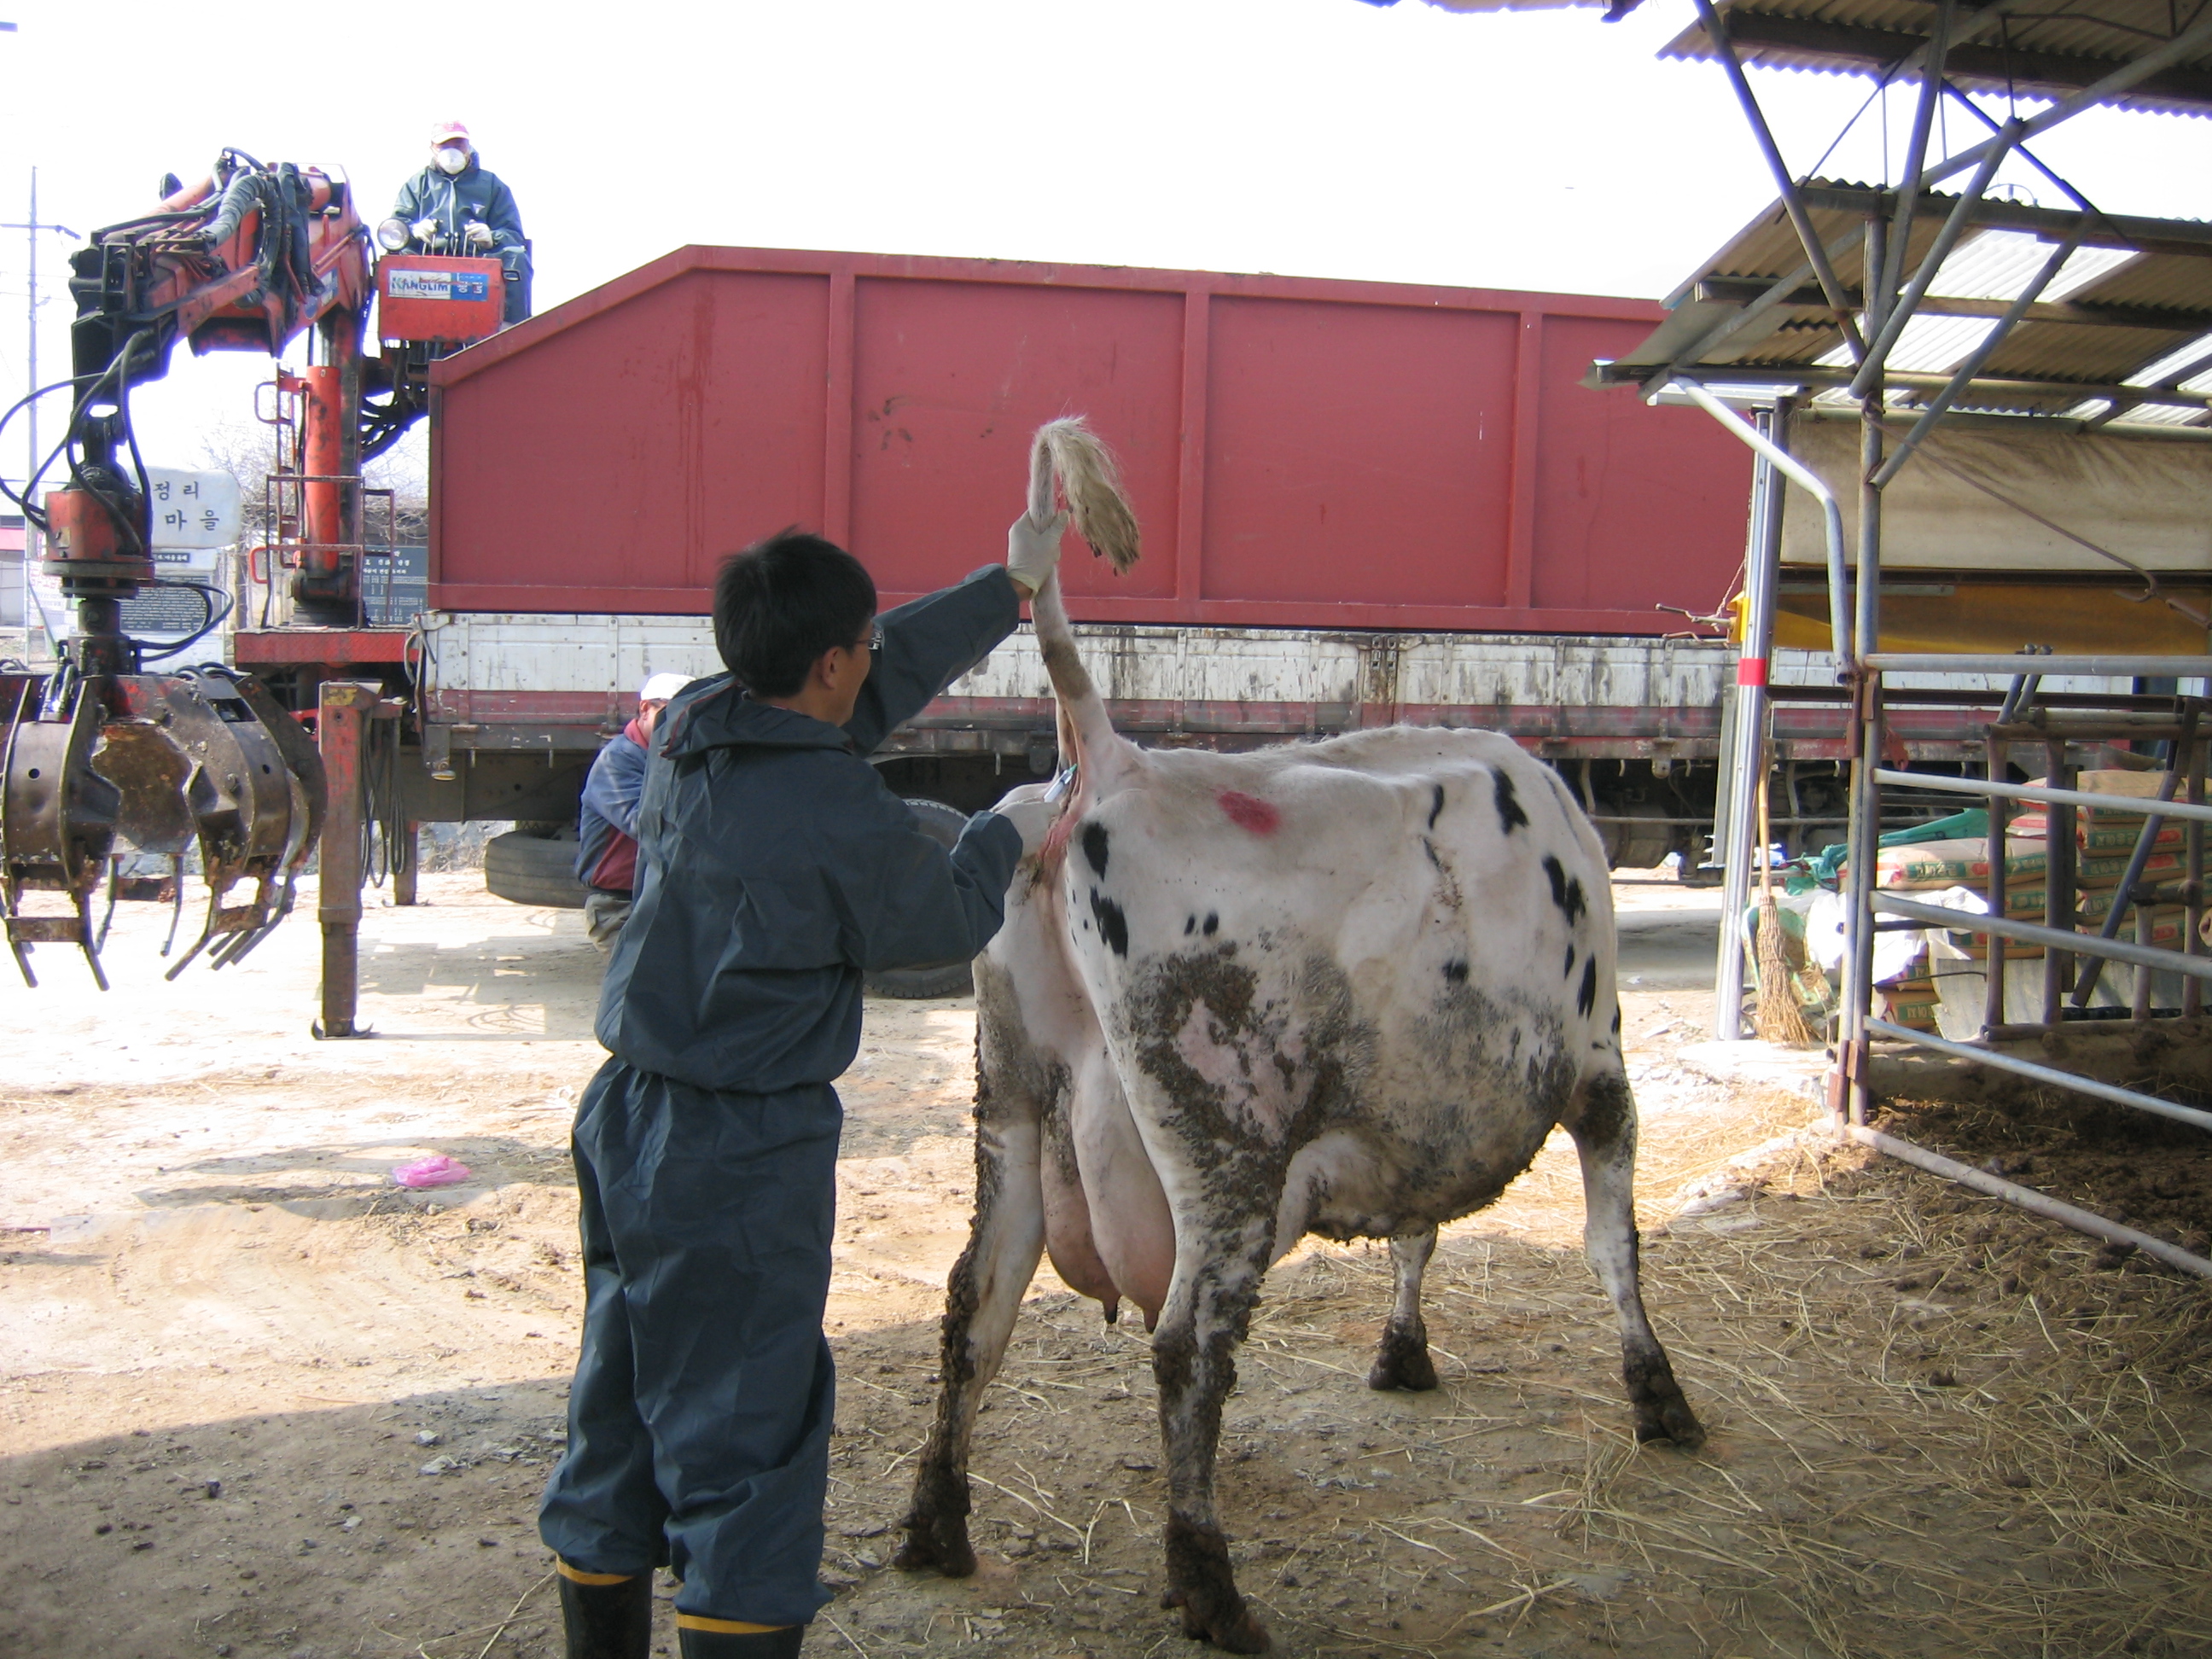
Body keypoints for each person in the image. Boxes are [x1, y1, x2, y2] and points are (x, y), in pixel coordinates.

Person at [537, 508, 1068, 1659]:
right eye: (863, 647)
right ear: (828, 663)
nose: (875, 663)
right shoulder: (837, 817)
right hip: (739, 1151)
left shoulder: (693, 727)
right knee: (748, 1431)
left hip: (627, 1116)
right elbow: (937, 919)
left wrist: (1001, 591)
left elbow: (863, 693)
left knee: (621, 1394)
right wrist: (1007, 829)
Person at [575, 672, 692, 952]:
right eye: (672, 714)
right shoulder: (618, 761)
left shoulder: (676, 757)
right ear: (645, 709)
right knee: (645, 991)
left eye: (690, 716)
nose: (683, 724)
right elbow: (649, 825)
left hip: (667, 900)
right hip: (621, 906)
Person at [393, 119, 533, 324]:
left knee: (517, 257)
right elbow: (396, 229)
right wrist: (414, 230)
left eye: (458, 145)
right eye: (444, 146)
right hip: (428, 259)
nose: (452, 151)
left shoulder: (491, 185)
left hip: (481, 259)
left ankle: (512, 329)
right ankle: (402, 324)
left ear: (468, 147)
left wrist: (491, 237)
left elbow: (513, 233)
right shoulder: (417, 184)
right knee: (396, 261)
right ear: (433, 148)